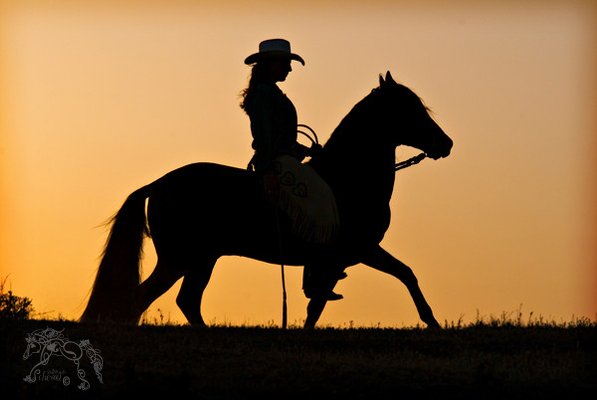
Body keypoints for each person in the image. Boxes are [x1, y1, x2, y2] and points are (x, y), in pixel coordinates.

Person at [240, 39, 343, 300]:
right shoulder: (264, 94)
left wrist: (306, 152)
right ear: (272, 64)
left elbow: (279, 136)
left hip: (285, 158)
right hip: (276, 163)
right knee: (320, 195)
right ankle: (316, 276)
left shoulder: (271, 92)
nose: (289, 69)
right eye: (286, 63)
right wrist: (267, 171)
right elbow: (264, 136)